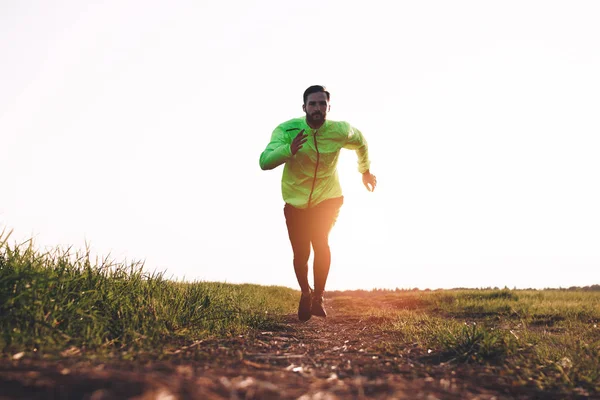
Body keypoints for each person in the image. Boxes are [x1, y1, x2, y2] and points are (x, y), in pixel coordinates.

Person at [259, 85, 377, 322]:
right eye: (312, 104)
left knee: (320, 241)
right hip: (296, 202)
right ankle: (306, 292)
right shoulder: (287, 130)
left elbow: (361, 142)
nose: (317, 108)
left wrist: (365, 171)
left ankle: (319, 296)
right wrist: (288, 150)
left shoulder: (340, 130)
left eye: (322, 104)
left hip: (328, 198)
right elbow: (264, 161)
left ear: (328, 107)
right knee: (301, 253)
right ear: (304, 107)